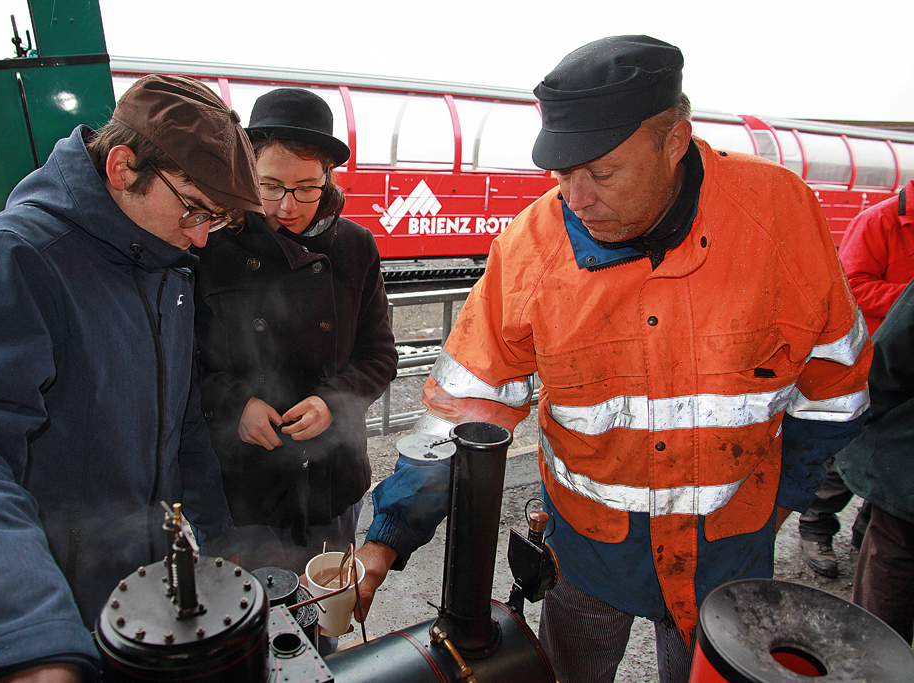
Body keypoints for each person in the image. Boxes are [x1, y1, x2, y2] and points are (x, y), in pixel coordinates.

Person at [355, 35, 872, 683]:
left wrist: (781, 503)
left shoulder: (780, 213)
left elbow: (837, 385)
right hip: (587, 557)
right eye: (564, 173)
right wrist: (388, 535)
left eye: (601, 173)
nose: (577, 197)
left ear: (675, 142)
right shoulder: (530, 250)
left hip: (728, 556)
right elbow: (465, 404)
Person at [0, 75, 262, 683]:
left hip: (141, 586)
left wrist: (225, 550)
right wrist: (30, 638)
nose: (200, 237)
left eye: (216, 221)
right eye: (195, 209)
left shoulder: (165, 265)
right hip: (46, 590)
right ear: (123, 167)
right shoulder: (16, 259)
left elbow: (183, 424)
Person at [193, 88, 397, 576]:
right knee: (244, 621)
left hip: (332, 479)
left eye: (307, 187)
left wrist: (334, 401)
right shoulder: (211, 248)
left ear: (328, 178)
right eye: (271, 186)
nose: (289, 206)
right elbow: (183, 360)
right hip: (244, 488)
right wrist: (235, 404)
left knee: (324, 611)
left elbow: (379, 357)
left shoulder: (355, 246)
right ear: (248, 174)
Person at [799, 179, 914, 577]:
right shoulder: (879, 221)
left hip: (906, 365)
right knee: (848, 447)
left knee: (896, 462)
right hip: (875, 359)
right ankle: (816, 526)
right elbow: (853, 287)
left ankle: (868, 535)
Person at [835, 279, 914, 645]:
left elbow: (889, 361)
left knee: (880, 623)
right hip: (903, 484)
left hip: (905, 487)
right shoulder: (882, 222)